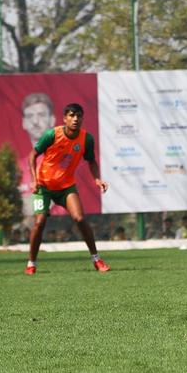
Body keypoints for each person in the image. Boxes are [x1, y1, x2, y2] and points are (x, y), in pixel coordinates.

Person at [25, 103, 110, 275]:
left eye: (79, 116)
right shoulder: (52, 135)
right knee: (40, 222)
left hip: (66, 187)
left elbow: (91, 161)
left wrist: (97, 179)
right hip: (44, 187)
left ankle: (97, 260)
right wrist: (34, 180)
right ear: (65, 118)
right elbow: (32, 155)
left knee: (79, 218)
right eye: (71, 115)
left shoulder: (87, 139)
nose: (75, 119)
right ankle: (31, 264)